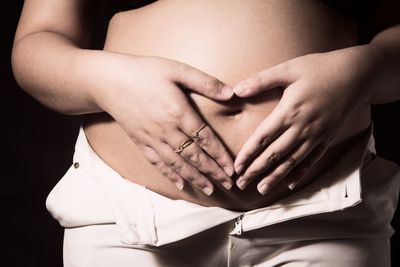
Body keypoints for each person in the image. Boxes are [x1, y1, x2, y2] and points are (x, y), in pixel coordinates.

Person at [11, 0, 400, 266]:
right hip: (130, 216)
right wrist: (106, 81)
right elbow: (37, 44)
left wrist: (367, 67)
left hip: (324, 209)